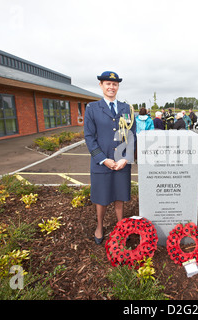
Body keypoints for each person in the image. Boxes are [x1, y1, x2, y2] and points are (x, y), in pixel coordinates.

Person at [84, 71, 136, 245]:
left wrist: (126, 158)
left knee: (119, 197)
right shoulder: (92, 108)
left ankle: (121, 227)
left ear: (118, 86)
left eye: (114, 84)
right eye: (108, 84)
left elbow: (131, 135)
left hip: (121, 163)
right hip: (102, 163)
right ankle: (100, 226)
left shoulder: (126, 109)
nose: (111, 87)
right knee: (102, 198)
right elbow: (89, 137)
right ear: (101, 85)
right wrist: (103, 159)